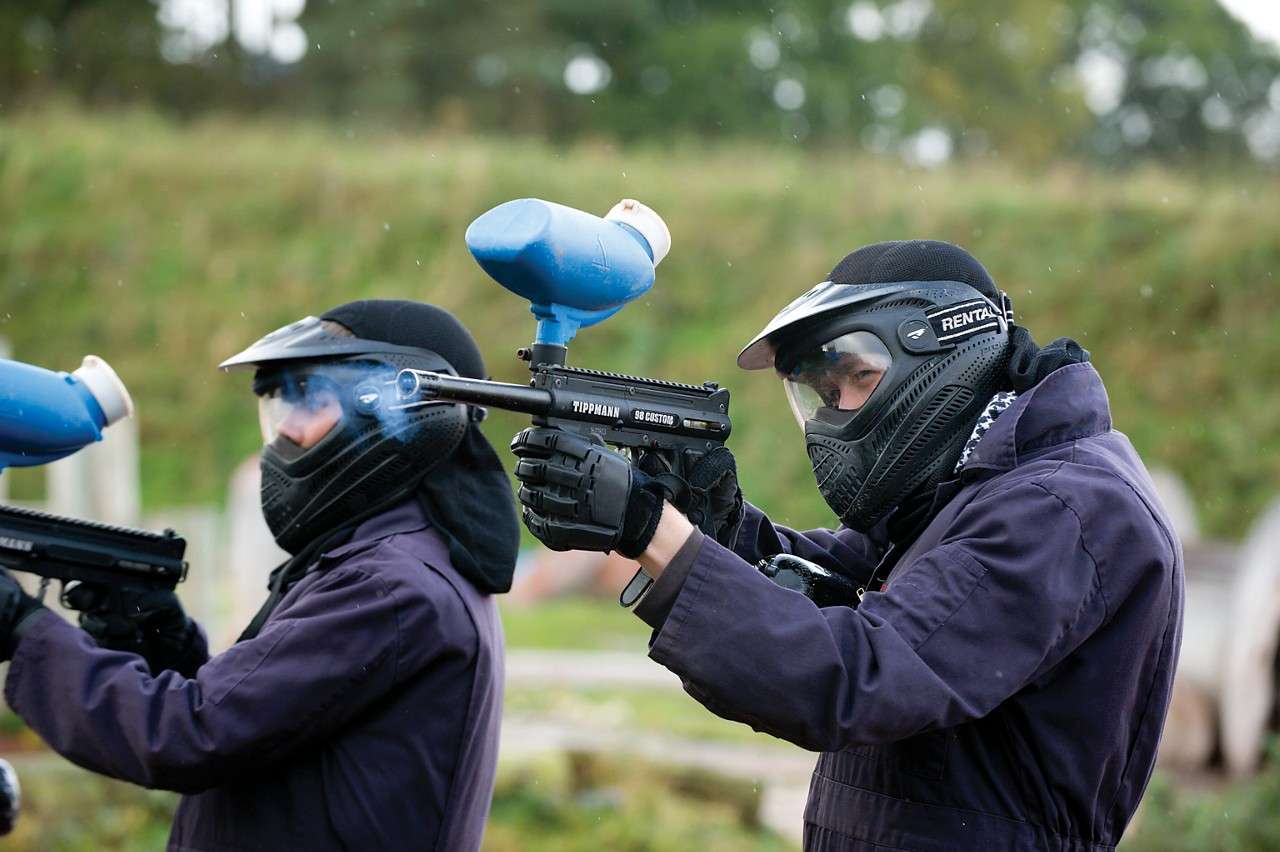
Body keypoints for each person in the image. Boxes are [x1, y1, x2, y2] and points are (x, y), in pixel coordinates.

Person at [511, 241, 1184, 851]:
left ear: (940, 348)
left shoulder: (1061, 509)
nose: (836, 412)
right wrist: (712, 525)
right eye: (823, 394)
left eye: (855, 378)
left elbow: (859, 675)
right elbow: (837, 585)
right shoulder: (972, 488)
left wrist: (653, 530)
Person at [0, 299, 519, 851]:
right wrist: (160, 640)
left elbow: (189, 737)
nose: (285, 432)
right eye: (279, 404)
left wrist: (23, 628)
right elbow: (259, 724)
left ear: (409, 414)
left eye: (313, 399)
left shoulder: (389, 586)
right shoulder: (382, 562)